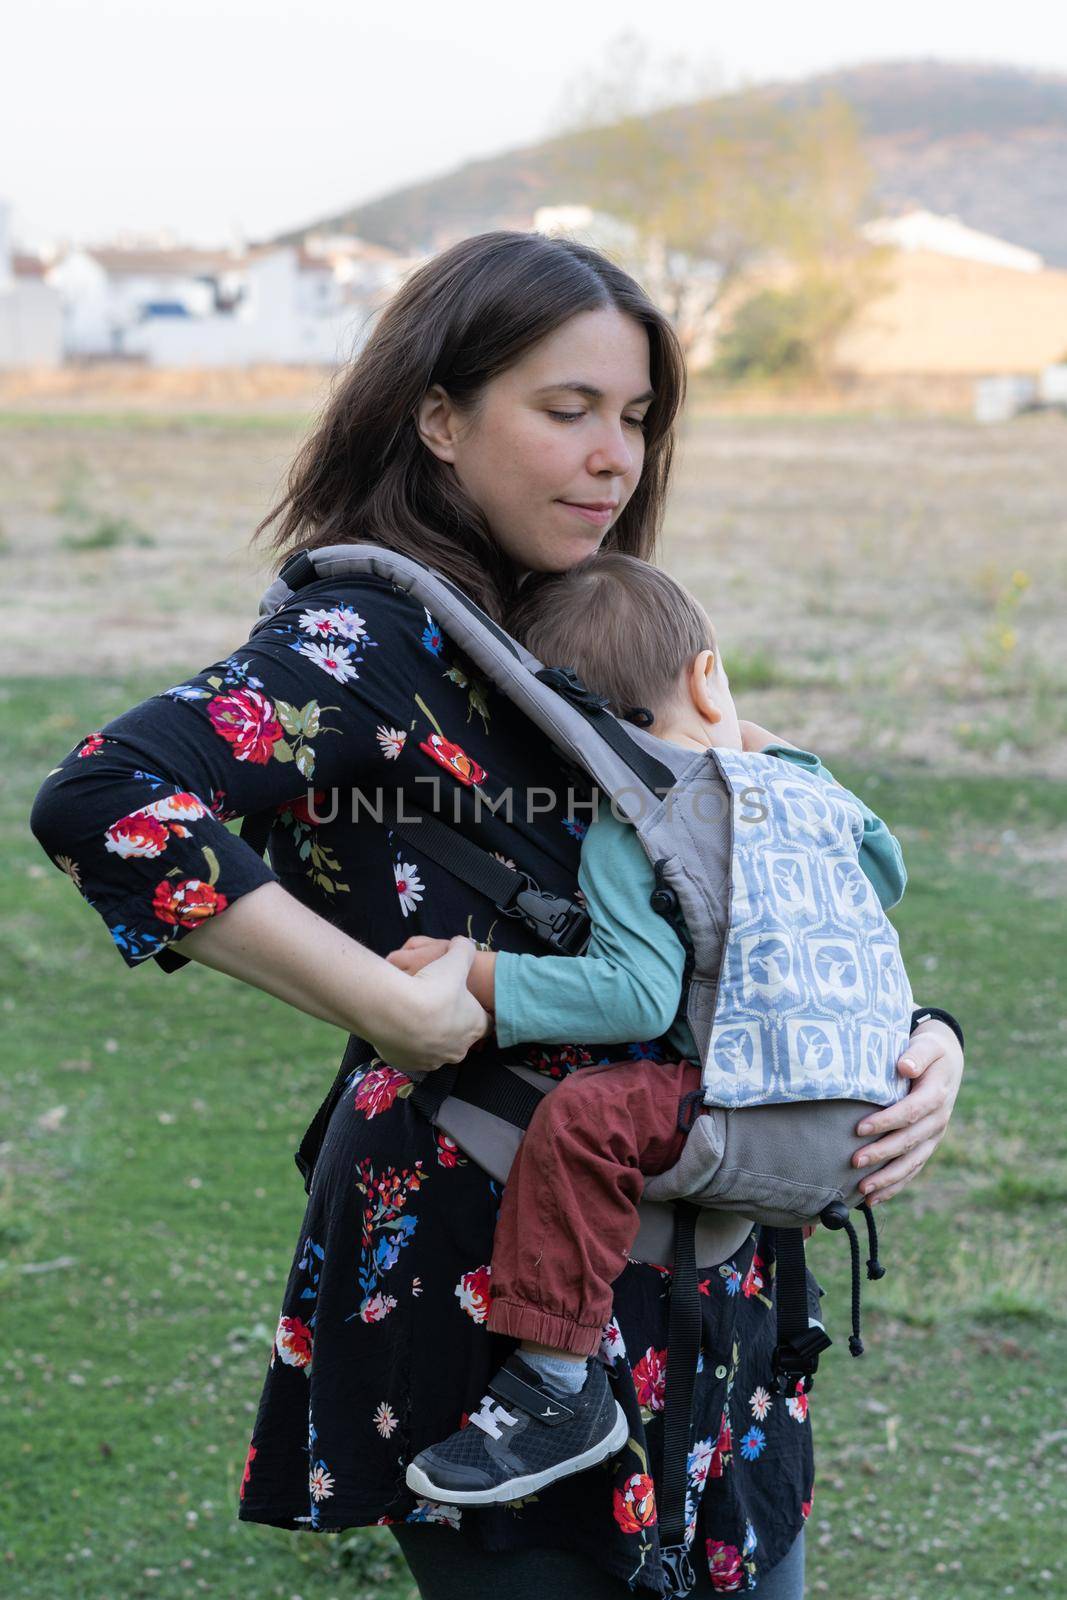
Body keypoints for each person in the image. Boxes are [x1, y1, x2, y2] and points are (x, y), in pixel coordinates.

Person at [28, 231, 964, 1600]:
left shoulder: (581, 634)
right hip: (489, 1299)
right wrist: (383, 999)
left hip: (713, 1284)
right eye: (565, 409)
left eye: (635, 417)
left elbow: (741, 888)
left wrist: (921, 1040)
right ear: (438, 418)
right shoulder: (360, 646)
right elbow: (105, 797)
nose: (614, 457)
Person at [391, 551, 916, 1508]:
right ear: (707, 674)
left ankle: (557, 1386)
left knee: (585, 1120)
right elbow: (886, 878)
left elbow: (633, 996)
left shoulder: (633, 826)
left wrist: (476, 973)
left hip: (748, 1102)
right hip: (868, 1102)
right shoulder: (805, 787)